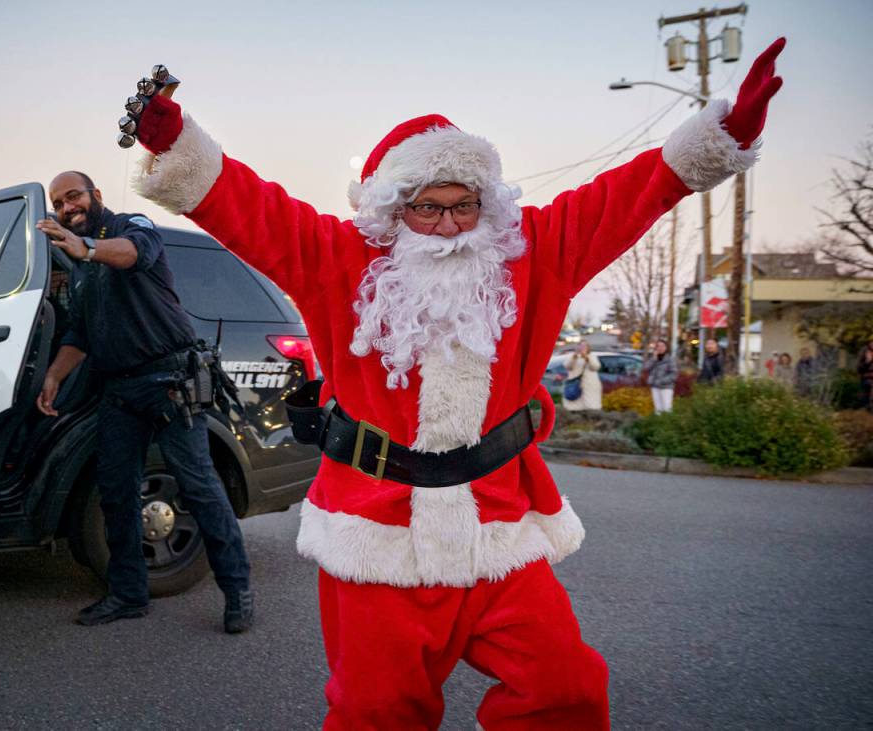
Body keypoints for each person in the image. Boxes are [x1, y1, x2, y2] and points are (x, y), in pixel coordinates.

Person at [122, 38, 784, 729]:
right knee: (377, 712)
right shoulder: (336, 258)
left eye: (463, 206)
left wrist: (722, 137)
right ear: (392, 209)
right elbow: (250, 208)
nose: (446, 226)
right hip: (376, 536)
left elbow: (624, 197)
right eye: (427, 208)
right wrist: (178, 144)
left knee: (565, 688)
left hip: (499, 530)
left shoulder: (533, 251)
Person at [35, 171, 253, 631]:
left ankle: (238, 591)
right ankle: (129, 594)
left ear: (95, 195)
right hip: (119, 389)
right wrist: (54, 375)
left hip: (169, 381)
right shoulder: (81, 269)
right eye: (58, 203)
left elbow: (134, 254)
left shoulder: (131, 227)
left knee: (199, 487)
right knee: (116, 493)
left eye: (73, 196)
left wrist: (86, 248)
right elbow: (80, 333)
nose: (67, 207)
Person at [562, 342, 602, 411]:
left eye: (584, 346)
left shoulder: (591, 356)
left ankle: (590, 414)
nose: (581, 348)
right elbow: (567, 366)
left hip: (589, 385)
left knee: (590, 404)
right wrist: (574, 357)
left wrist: (587, 358)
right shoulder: (573, 356)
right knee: (574, 404)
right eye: (580, 346)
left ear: (588, 348)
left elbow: (596, 367)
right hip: (574, 384)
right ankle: (574, 413)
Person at [644, 339, 679, 413]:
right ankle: (658, 420)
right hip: (655, 386)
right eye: (658, 346)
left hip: (666, 387)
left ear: (666, 348)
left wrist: (661, 381)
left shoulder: (670, 359)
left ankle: (668, 421)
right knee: (658, 409)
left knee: (667, 408)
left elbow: (674, 374)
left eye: (663, 346)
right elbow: (646, 368)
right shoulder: (654, 358)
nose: (660, 348)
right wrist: (654, 359)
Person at [858, 338, 873, 411]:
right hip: (867, 377)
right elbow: (859, 368)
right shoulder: (864, 352)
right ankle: (866, 407)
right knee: (866, 393)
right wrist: (867, 362)